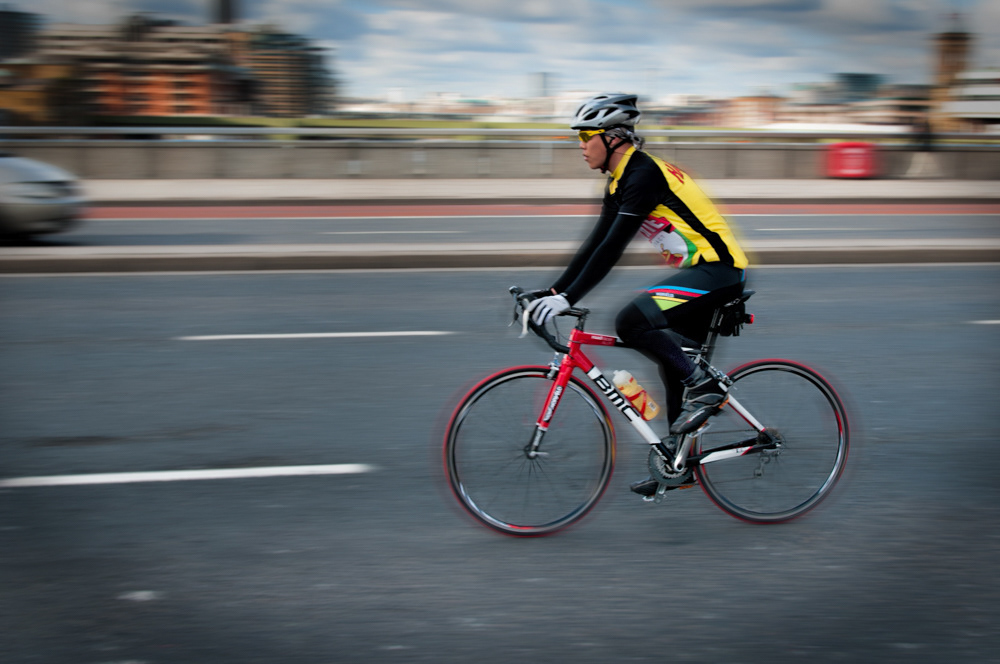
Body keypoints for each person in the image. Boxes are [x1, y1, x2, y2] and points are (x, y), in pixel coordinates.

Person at [525, 93, 749, 497]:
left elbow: (612, 249)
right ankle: (678, 465)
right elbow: (596, 243)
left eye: (586, 137)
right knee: (674, 361)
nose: (581, 145)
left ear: (612, 138)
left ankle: (708, 390)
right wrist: (556, 291)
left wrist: (567, 300)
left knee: (631, 322)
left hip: (718, 270)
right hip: (701, 272)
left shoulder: (643, 174)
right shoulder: (620, 180)